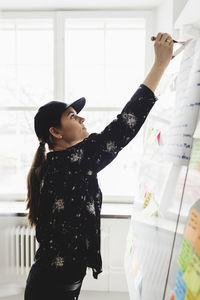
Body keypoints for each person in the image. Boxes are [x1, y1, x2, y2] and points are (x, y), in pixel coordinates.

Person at [24, 32, 173, 300]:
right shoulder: (70, 163)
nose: (81, 118)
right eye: (71, 115)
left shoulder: (59, 163)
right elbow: (123, 126)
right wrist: (160, 65)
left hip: (54, 281)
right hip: (51, 286)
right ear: (56, 133)